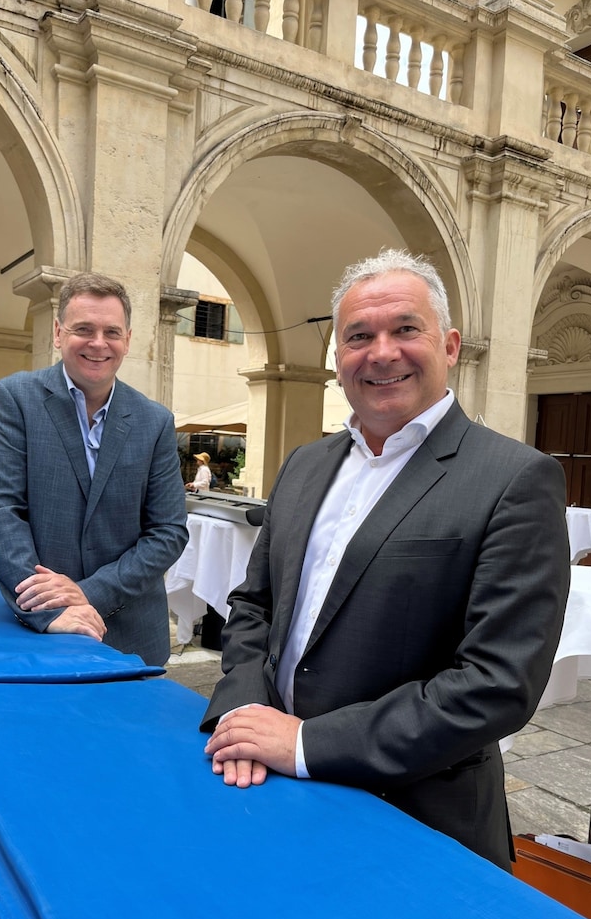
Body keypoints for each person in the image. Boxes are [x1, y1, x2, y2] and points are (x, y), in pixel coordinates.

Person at [200, 249, 570, 870]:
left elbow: (497, 682)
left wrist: (308, 742)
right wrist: (242, 711)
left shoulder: (514, 479)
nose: (381, 352)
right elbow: (254, 604)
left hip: (415, 815)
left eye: (405, 329)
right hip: (274, 788)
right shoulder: (305, 465)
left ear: (449, 345)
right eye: (359, 336)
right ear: (337, 358)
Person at [0, 272, 188, 666]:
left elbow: (169, 531)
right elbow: (2, 511)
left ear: (127, 339)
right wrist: (50, 609)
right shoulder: (17, 399)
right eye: (83, 329)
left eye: (111, 331)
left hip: (132, 635)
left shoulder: (154, 421)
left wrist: (88, 592)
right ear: (58, 333)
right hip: (41, 628)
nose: (98, 343)